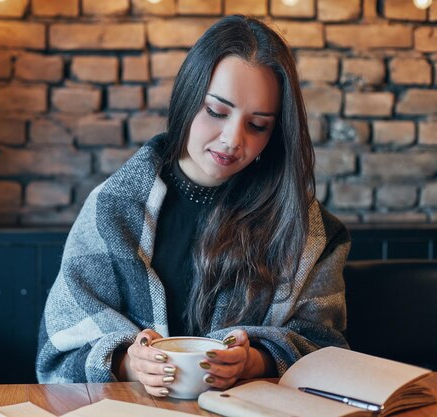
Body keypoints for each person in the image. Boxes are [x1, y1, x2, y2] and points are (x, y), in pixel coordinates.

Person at [36, 14, 350, 397]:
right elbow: (58, 352)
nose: (233, 139)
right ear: (187, 97)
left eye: (258, 125)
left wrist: (254, 361)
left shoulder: (305, 229)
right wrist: (128, 364)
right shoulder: (112, 211)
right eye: (217, 112)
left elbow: (326, 348)